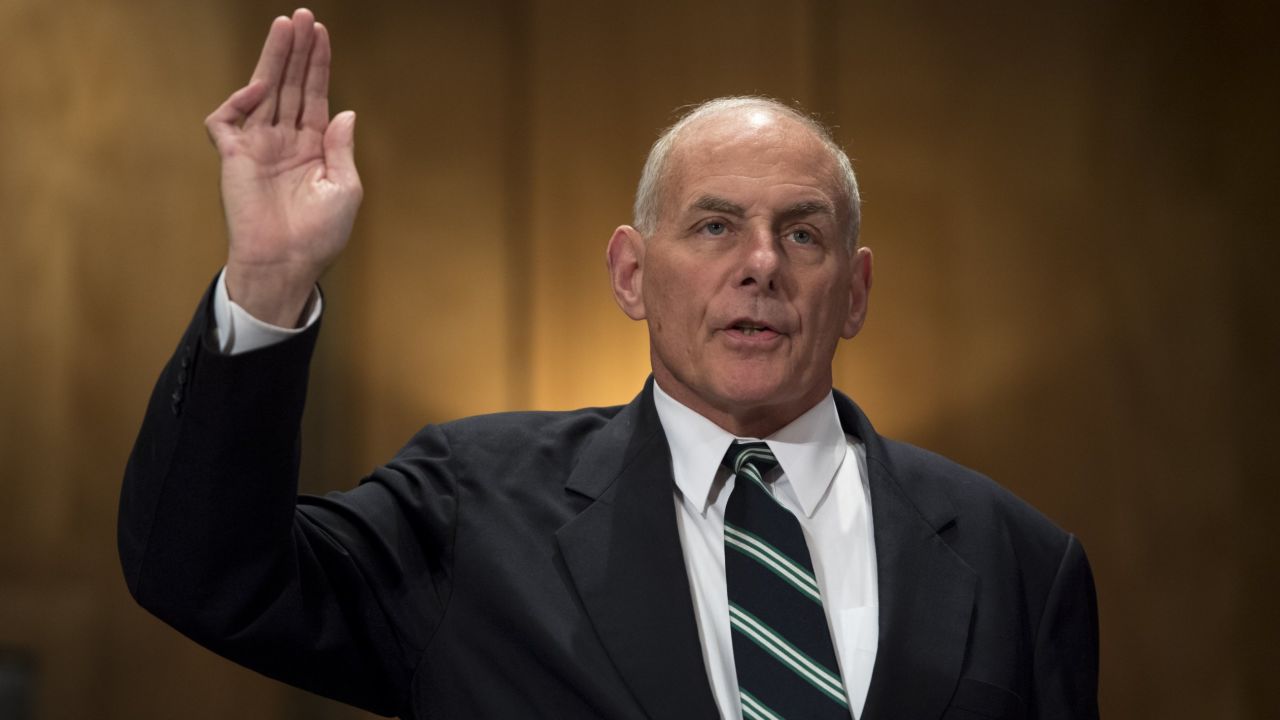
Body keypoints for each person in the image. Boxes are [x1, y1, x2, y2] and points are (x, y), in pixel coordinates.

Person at [119, 8, 1099, 720]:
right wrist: (270, 276)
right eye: (713, 225)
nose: (759, 263)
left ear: (854, 290)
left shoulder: (1018, 561)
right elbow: (204, 574)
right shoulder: (470, 511)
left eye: (801, 235)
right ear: (629, 274)